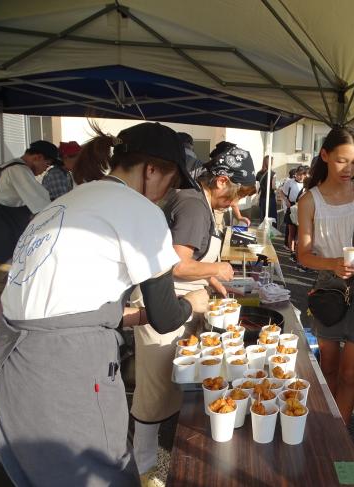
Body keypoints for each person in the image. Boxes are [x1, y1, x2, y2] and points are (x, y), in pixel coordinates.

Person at [0, 122, 194, 487]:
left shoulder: (68, 201)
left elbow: (62, 299)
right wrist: (192, 303)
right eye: (170, 183)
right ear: (151, 170)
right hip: (62, 371)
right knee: (100, 474)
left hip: (10, 367)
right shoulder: (139, 210)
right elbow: (165, 318)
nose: (166, 195)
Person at [132, 143, 256, 483]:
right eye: (235, 194)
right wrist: (219, 266)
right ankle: (143, 469)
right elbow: (175, 264)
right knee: (154, 392)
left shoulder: (197, 202)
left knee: (174, 387)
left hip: (184, 303)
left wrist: (213, 279)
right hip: (162, 308)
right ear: (220, 181)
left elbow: (191, 261)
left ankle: (165, 459)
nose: (235, 203)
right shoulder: (192, 205)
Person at [297, 126, 354, 425]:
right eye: (341, 160)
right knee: (329, 366)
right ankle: (326, 424)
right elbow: (303, 255)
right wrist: (333, 263)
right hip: (328, 288)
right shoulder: (309, 200)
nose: (349, 169)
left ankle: (339, 432)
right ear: (325, 155)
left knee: (350, 372)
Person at [0, 140, 53, 328]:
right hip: (3, 233)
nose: (45, 169)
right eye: (46, 164)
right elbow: (43, 204)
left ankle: (1, 325)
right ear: (37, 157)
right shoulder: (19, 170)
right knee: (2, 280)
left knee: (2, 280)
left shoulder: (2, 167)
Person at [283, 165, 307, 260]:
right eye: (298, 174)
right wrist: (286, 200)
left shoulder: (307, 184)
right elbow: (282, 192)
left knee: (300, 234)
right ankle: (292, 252)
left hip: (302, 209)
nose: (300, 176)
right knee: (291, 232)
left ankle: (297, 252)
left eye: (302, 175)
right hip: (292, 207)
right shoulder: (289, 182)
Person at [258, 155, 277, 225]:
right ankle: (270, 234)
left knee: (262, 217)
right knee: (271, 217)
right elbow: (273, 187)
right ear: (271, 163)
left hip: (262, 198)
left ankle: (262, 233)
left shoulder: (258, 174)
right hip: (270, 198)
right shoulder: (273, 174)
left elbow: (257, 187)